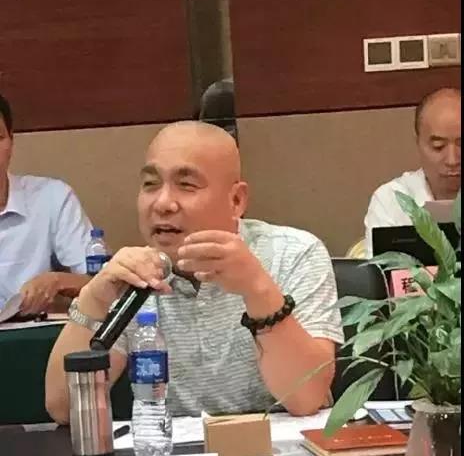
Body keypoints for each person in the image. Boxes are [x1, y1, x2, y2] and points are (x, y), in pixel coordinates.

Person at [45, 121, 343, 424]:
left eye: (186, 185)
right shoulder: (136, 277)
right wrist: (94, 299)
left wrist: (257, 289)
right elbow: (64, 409)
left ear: (236, 201)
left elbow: (306, 397)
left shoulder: (293, 253)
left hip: (281, 450)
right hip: (175, 450)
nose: (163, 203)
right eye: (150, 184)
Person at [0, 93, 93, 314]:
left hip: (33, 331)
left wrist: (57, 281)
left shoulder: (51, 197)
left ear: (11, 141)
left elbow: (104, 283)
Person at [364, 87, 461, 256]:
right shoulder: (392, 200)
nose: (452, 160)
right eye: (438, 147)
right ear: (419, 143)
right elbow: (381, 270)